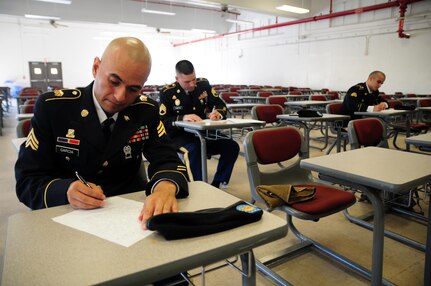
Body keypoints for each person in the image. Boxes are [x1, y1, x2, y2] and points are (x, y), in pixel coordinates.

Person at [15, 37, 189, 229]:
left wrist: (165, 186)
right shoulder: (54, 109)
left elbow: (167, 158)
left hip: (132, 220)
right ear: (96, 67)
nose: (120, 97)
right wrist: (65, 190)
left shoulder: (145, 110)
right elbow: (28, 180)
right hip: (68, 218)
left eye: (134, 89)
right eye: (114, 81)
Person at [158, 60, 239, 189]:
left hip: (203, 132)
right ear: (177, 78)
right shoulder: (167, 93)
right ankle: (198, 187)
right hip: (180, 136)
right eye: (187, 82)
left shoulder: (203, 84)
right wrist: (182, 117)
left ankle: (217, 183)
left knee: (232, 146)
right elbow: (163, 121)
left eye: (194, 79)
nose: (192, 84)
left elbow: (220, 104)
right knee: (194, 149)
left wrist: (217, 113)